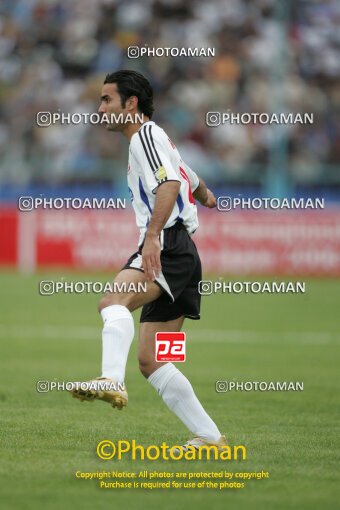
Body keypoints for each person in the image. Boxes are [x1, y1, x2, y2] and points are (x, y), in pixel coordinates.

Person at [70, 70, 226, 452]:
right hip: (185, 253)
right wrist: (205, 194)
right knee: (153, 359)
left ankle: (110, 379)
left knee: (112, 302)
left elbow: (170, 184)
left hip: (167, 246)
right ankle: (210, 438)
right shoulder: (157, 139)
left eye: (108, 100)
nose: (101, 107)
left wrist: (153, 236)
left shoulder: (143, 136)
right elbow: (184, 173)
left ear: (131, 103)